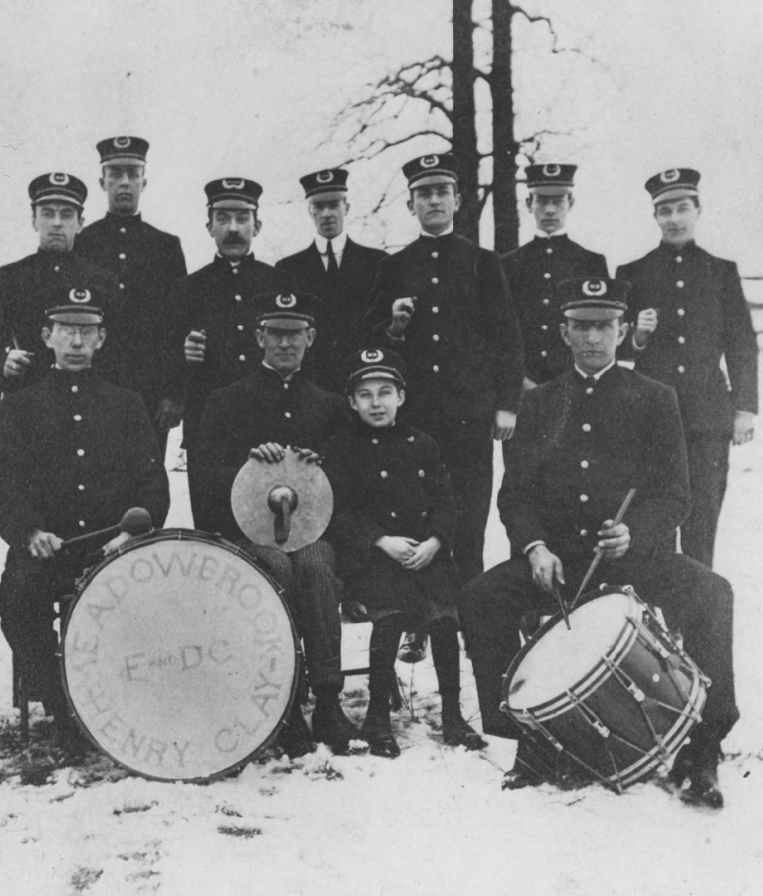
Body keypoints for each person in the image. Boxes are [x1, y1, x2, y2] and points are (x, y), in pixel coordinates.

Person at [458, 278, 738, 809]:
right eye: (581, 327)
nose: (592, 338)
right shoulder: (538, 403)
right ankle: (530, 736)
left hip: (636, 561)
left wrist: (638, 532)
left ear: (623, 332)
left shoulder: (656, 398)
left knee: (712, 593)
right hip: (562, 565)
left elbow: (677, 495)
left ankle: (702, 748)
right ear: (564, 332)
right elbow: (514, 495)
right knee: (480, 599)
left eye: (604, 326)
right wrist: (536, 547)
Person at [0, 286, 170, 765]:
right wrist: (29, 532)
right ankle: (62, 707)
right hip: (48, 547)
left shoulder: (127, 404)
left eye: (87, 332)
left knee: (154, 601)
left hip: (114, 548)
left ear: (102, 339)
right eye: (67, 331)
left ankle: (123, 700)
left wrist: (133, 534)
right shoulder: (21, 406)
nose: (77, 342)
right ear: (47, 337)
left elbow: (153, 482)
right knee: (16, 601)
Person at [189, 291, 354, 756]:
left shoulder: (329, 405)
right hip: (249, 535)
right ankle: (284, 702)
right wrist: (249, 468)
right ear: (260, 337)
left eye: (295, 334)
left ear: (311, 338)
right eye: (276, 334)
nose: (285, 344)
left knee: (318, 565)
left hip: (313, 535)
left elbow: (350, 474)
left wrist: (317, 469)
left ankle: (327, 699)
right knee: (275, 570)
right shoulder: (226, 401)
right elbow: (202, 473)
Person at [365, 152, 524, 586]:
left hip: (470, 414)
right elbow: (371, 342)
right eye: (423, 194)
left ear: (457, 201)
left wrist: (506, 405)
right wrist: (393, 327)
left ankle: (471, 614)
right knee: (418, 515)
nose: (433, 201)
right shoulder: (393, 266)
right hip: (415, 416)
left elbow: (506, 338)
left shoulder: (482, 262)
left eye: (442, 192)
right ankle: (424, 618)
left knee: (470, 519)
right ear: (410, 204)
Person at [323, 349, 486, 757]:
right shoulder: (341, 447)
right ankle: (378, 715)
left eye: (385, 392)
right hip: (375, 559)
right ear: (352, 402)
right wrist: (381, 540)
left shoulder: (423, 443)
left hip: (425, 555)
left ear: (401, 397)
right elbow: (337, 512)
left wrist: (434, 542)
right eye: (365, 394)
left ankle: (453, 712)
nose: (376, 403)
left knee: (444, 618)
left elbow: (447, 502)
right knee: (390, 617)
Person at [617, 169, 759, 569]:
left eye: (682, 208)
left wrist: (745, 407)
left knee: (703, 518)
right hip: (650, 419)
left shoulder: (720, 271)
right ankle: (656, 620)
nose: (674, 218)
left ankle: (697, 618)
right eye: (664, 210)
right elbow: (615, 346)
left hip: (708, 418)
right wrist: (638, 337)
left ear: (698, 210)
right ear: (655, 217)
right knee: (653, 520)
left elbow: (742, 343)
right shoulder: (632, 274)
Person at [167, 178, 298, 449]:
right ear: (209, 227)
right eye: (223, 219)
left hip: (270, 422)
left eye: (242, 219)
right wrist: (183, 354)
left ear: (257, 226)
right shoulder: (187, 288)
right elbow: (165, 357)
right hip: (208, 426)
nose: (233, 229)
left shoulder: (281, 284)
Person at [73, 136, 188, 432]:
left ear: (143, 182)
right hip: (93, 385)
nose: (124, 182)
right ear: (102, 181)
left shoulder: (166, 246)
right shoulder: (82, 242)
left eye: (132, 175)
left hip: (150, 393)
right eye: (115, 175)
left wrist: (173, 393)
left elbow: (178, 323)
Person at [0, 172, 116, 396]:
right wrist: (1, 360)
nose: (56, 223)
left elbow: (115, 348)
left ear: (80, 223)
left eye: (66, 214)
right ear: (34, 220)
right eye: (47, 214)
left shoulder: (102, 281)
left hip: (89, 399)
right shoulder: (8, 278)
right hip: (27, 397)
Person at [275, 168, 387, 394]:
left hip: (363, 383)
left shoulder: (377, 263)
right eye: (318, 207)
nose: (326, 213)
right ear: (310, 211)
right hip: (310, 387)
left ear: (347, 208)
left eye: (334, 205)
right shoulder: (289, 270)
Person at [501, 163, 610, 388]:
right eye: (541, 200)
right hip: (522, 387)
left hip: (576, 385)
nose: (550, 209)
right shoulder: (509, 263)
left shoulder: (591, 262)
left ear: (570, 203)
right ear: (529, 204)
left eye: (558, 201)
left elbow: (602, 328)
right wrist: (518, 381)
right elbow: (501, 330)